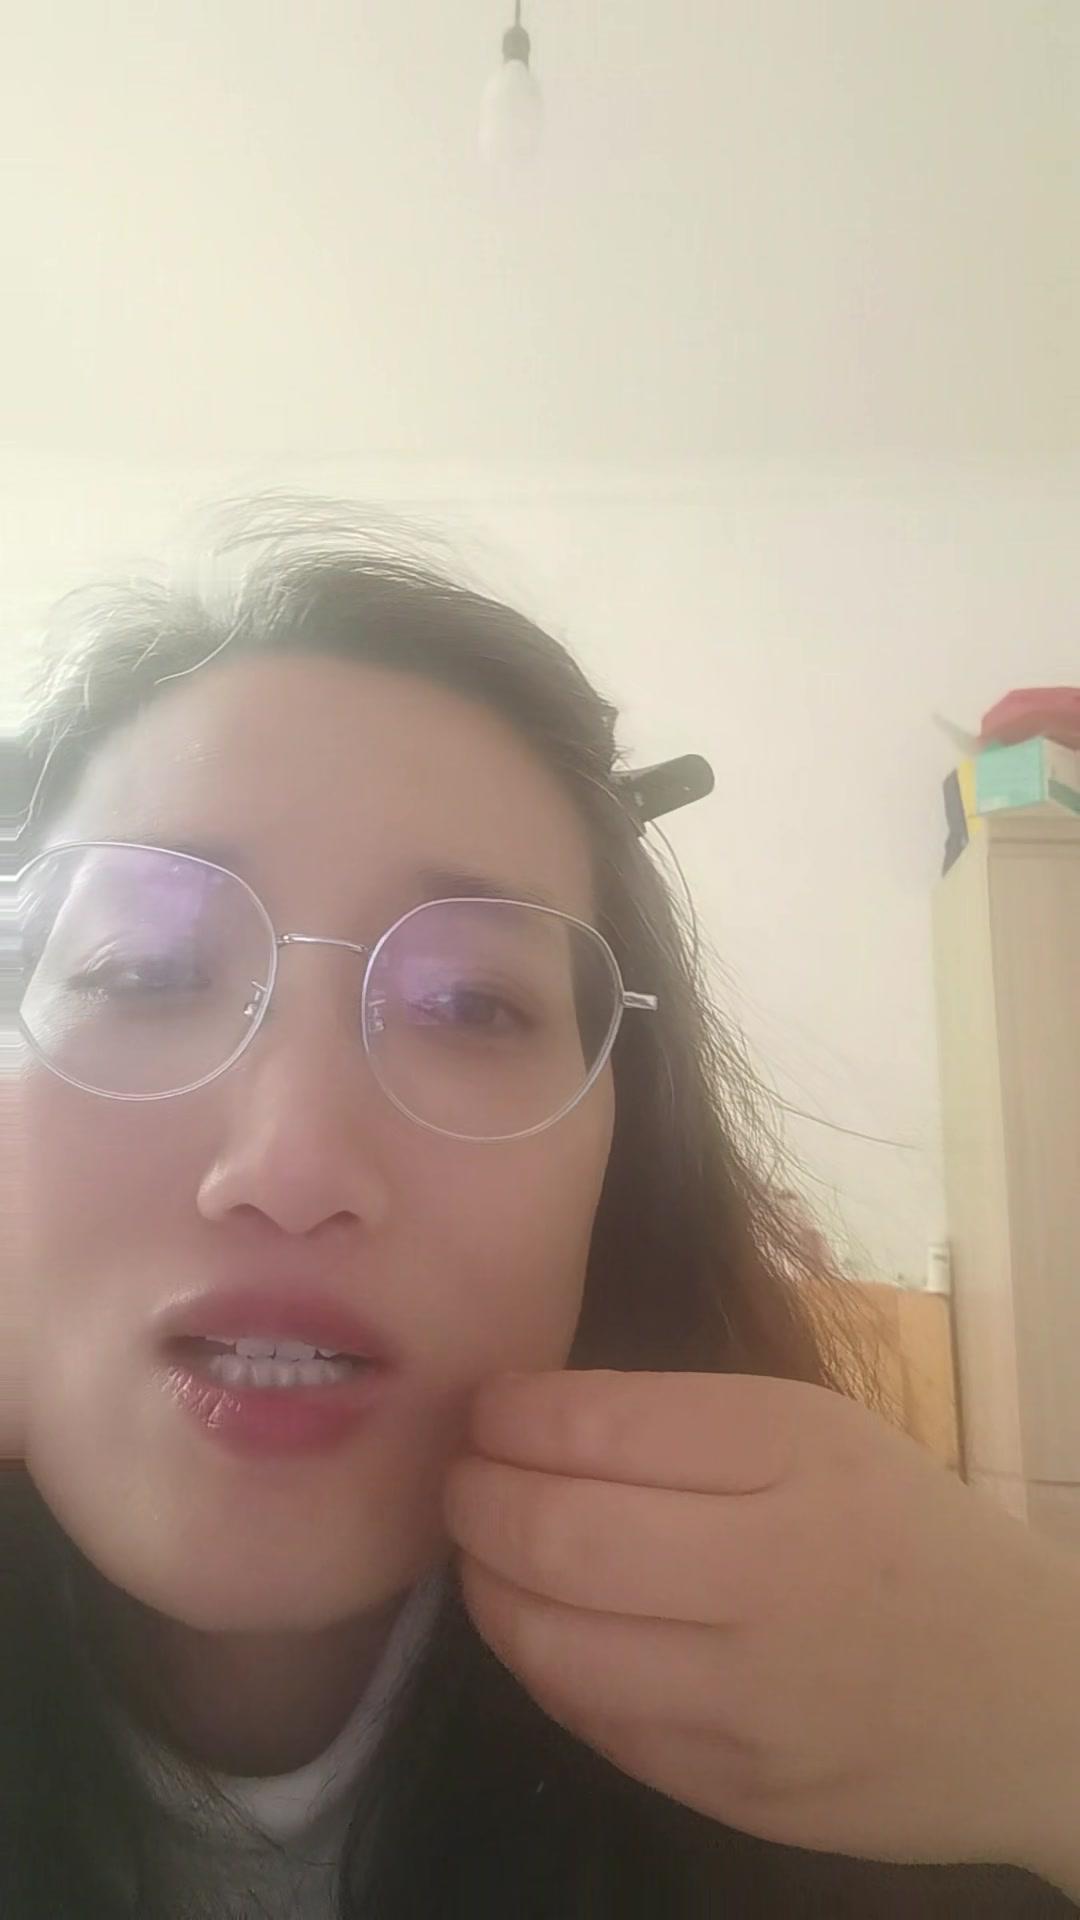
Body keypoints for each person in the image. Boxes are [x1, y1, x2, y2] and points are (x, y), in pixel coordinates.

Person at [6, 493, 1079, 1918]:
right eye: (143, 973)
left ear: (618, 1163)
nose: (292, 1164)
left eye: (467, 1003)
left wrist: (1051, 1724)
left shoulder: (901, 1785)